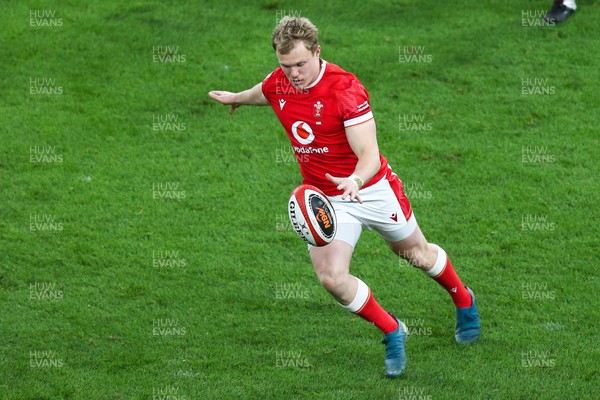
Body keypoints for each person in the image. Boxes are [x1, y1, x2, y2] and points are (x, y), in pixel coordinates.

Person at [208, 16, 480, 378]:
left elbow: (368, 153)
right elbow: (265, 90)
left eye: (301, 64)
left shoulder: (345, 90)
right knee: (332, 278)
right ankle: (391, 329)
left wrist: (355, 179)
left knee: (415, 254)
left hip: (370, 188)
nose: (294, 74)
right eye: (285, 66)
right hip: (324, 198)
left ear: (317, 52)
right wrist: (237, 99)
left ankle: (464, 299)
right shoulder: (281, 82)